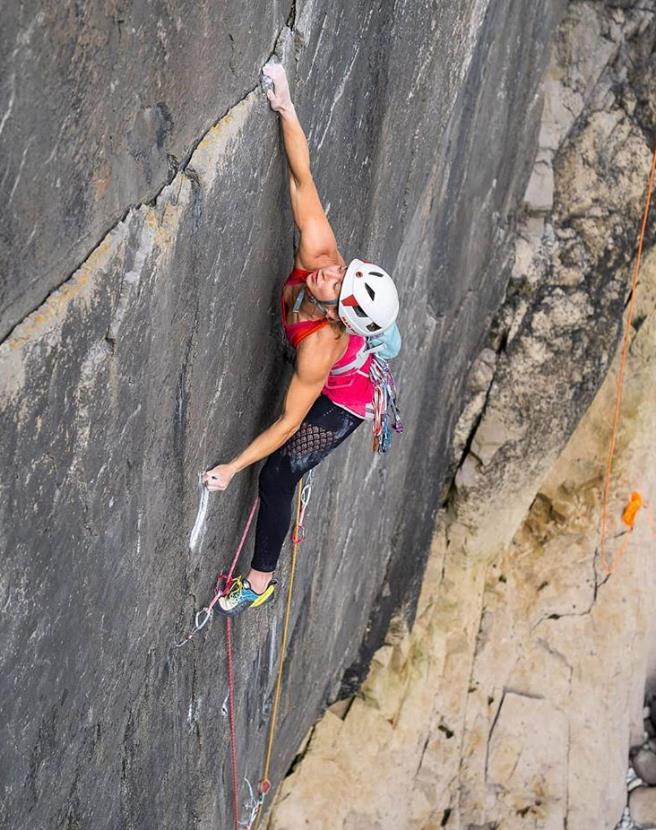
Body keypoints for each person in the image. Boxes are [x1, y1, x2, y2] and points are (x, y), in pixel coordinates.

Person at [202, 62, 401, 616]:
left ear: (339, 317)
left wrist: (232, 467)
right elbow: (300, 178)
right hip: (351, 348)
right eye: (342, 273)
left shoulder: (321, 347)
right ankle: (388, 339)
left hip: (346, 397)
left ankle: (259, 581)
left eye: (338, 287)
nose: (329, 275)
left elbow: (291, 422)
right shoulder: (320, 255)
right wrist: (286, 106)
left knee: (281, 470)